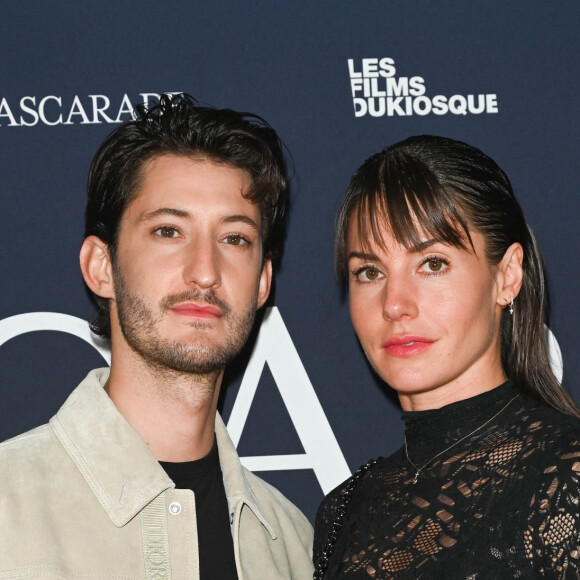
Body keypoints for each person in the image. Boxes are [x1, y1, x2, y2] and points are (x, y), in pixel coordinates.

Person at [0, 94, 313, 579]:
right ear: (101, 267)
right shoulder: (8, 505)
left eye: (234, 238)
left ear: (263, 282)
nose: (205, 272)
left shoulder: (294, 545)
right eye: (169, 231)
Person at [313, 135, 580, 579]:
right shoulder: (345, 508)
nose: (395, 304)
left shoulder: (566, 476)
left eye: (432, 263)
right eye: (370, 272)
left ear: (507, 276)